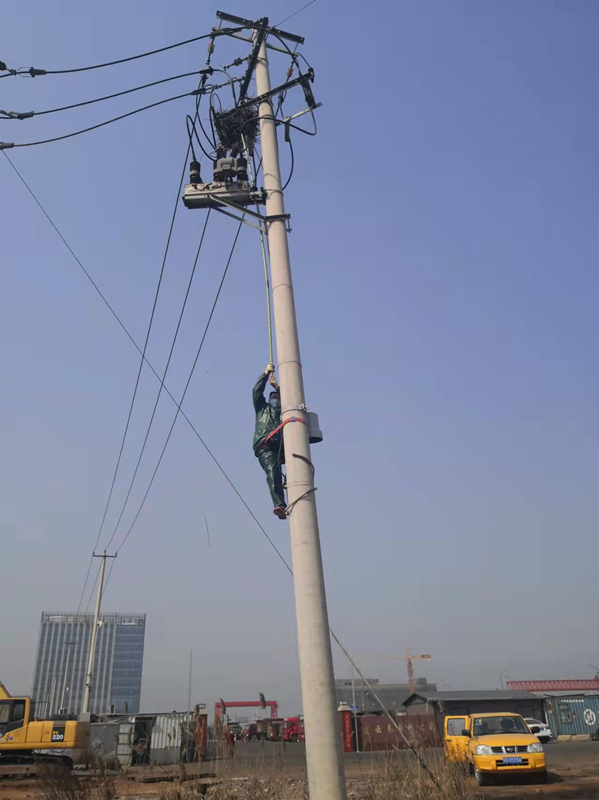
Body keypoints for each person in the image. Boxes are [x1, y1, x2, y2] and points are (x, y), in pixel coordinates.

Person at [253, 363, 286, 519]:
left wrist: (278, 387)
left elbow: (291, 397)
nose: (275, 400)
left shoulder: (284, 413)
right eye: (273, 397)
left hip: (281, 448)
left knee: (293, 467)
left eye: (278, 398)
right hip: (266, 447)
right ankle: (280, 504)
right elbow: (256, 391)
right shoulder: (262, 409)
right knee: (273, 473)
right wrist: (265, 375)